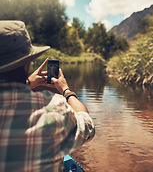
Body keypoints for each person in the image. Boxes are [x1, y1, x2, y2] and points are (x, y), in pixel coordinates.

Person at [0, 20, 95, 172]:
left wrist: (27, 83)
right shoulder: (55, 108)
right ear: (27, 63)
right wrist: (66, 90)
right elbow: (88, 127)